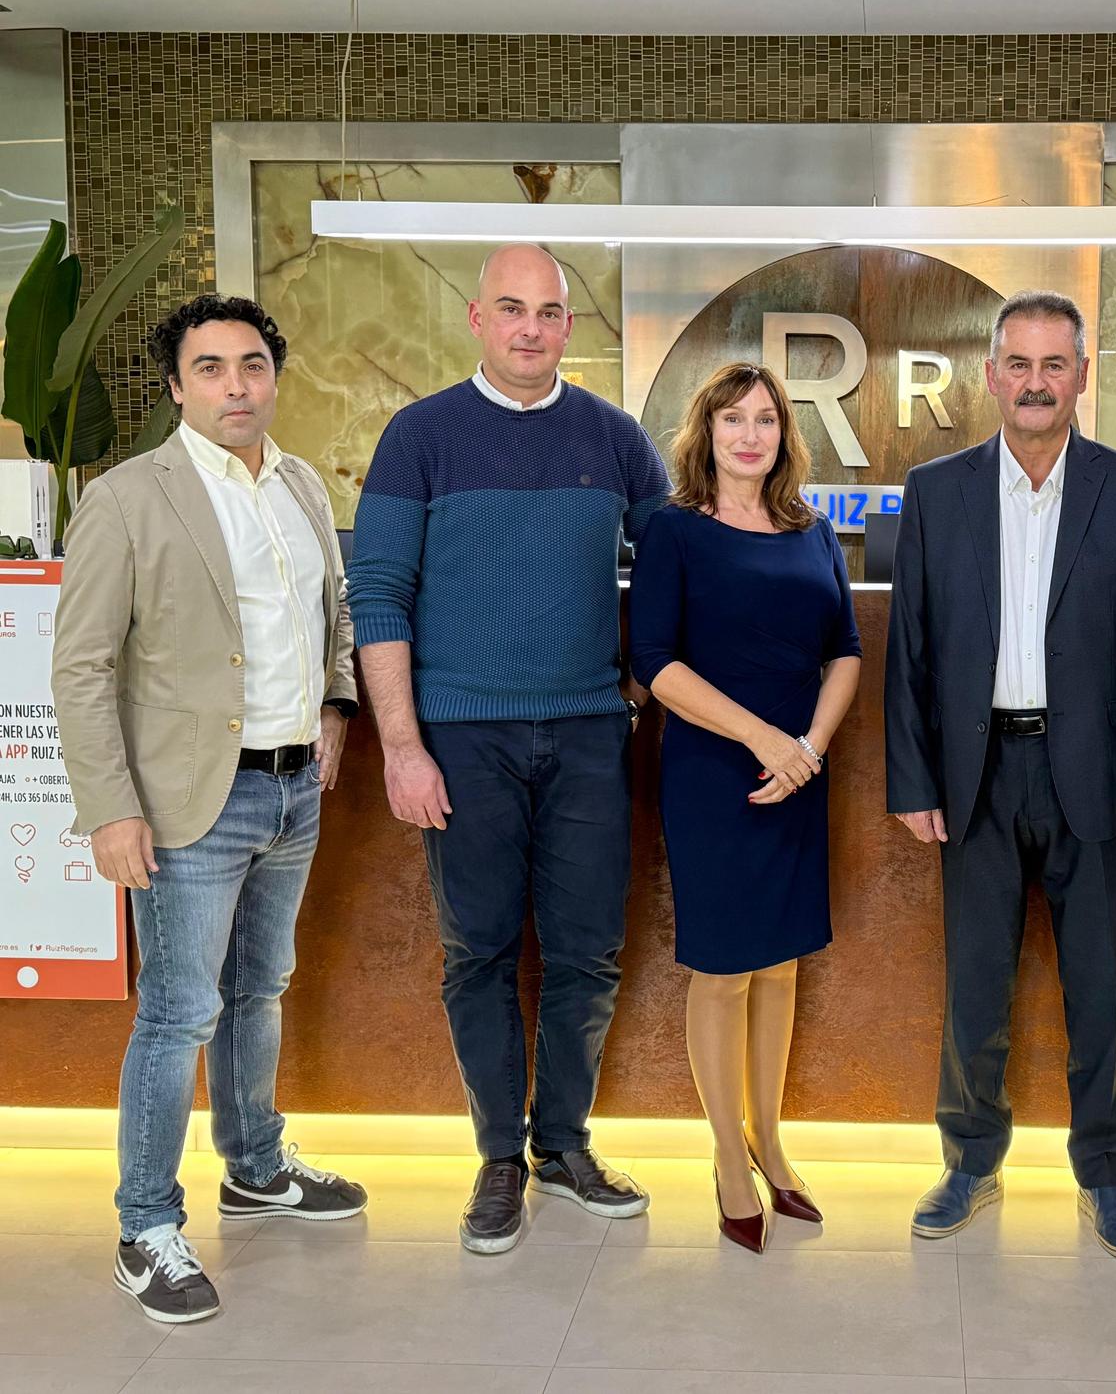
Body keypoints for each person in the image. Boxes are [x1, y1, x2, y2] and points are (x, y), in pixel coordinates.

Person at [53, 294, 366, 1324]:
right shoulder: (127, 498)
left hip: (293, 787)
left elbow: (333, 615)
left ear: (274, 377)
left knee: (259, 987)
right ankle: (145, 1226)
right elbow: (82, 667)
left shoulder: (302, 484)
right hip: (191, 798)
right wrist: (110, 808)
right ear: (177, 386)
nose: (237, 385)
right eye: (212, 368)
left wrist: (334, 707)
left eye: (253, 365)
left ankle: (256, 1165)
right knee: (179, 1011)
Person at [348, 244, 668, 1254]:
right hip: (461, 737)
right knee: (477, 951)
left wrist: (633, 683)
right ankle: (498, 1157)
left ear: (570, 325)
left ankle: (563, 1145)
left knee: (588, 952)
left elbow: (674, 573)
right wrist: (402, 746)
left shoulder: (616, 438)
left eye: (550, 311)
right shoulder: (419, 437)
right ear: (477, 319)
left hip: (587, 735)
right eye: (512, 308)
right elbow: (377, 596)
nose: (531, 328)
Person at [884, 290, 1116, 1261]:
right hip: (975, 777)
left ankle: (1106, 1178)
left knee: (1103, 994)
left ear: (1081, 376)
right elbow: (910, 651)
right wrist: (913, 781)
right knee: (974, 990)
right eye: (1017, 364)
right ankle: (970, 1162)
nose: (1034, 382)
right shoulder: (936, 490)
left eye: (1053, 364)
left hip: (1097, 775)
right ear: (990, 375)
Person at [628, 362, 862, 1253]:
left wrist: (808, 750)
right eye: (733, 419)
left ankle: (771, 1142)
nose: (750, 434)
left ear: (784, 434)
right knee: (724, 971)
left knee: (782, 967)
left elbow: (844, 651)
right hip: (715, 774)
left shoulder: (813, 530)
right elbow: (655, 663)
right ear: (707, 433)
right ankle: (728, 1155)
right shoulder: (674, 530)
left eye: (765, 419)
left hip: (799, 772)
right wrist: (766, 740)